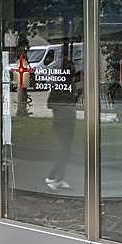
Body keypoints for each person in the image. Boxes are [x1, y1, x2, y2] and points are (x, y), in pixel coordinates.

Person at [44, 51, 80, 191]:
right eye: (71, 69)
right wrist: (64, 105)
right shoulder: (60, 85)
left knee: (66, 150)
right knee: (64, 150)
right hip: (61, 121)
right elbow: (50, 103)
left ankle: (57, 177)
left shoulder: (70, 85)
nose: (74, 71)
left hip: (68, 120)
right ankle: (54, 178)